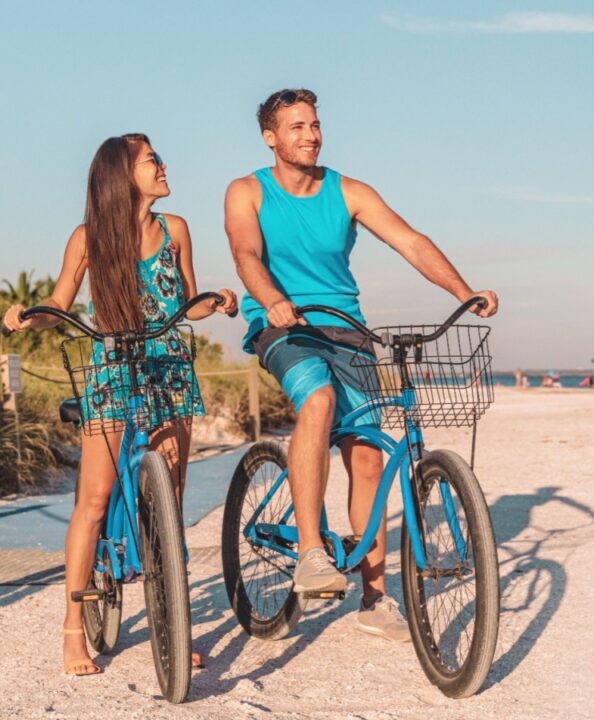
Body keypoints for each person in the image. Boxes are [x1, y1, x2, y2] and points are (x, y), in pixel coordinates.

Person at [225, 89, 498, 642]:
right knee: (318, 400)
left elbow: (410, 241)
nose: (310, 135)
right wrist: (270, 297)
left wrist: (462, 292)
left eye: (315, 125)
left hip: (347, 327)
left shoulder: (348, 191)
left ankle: (376, 598)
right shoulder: (247, 191)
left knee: (368, 459)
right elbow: (245, 254)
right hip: (283, 324)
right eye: (297, 126)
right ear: (271, 137)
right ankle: (309, 553)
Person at [4, 134, 238, 676]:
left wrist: (217, 302)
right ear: (122, 174)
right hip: (113, 372)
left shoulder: (174, 230)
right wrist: (27, 314)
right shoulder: (88, 238)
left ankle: (171, 624)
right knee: (93, 499)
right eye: (152, 159)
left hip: (170, 370)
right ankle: (71, 633)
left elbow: (187, 306)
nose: (163, 165)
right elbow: (59, 304)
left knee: (171, 504)